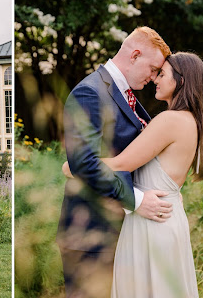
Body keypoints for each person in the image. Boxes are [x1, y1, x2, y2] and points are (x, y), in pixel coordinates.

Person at [63, 52, 203, 297]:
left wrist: (73, 167)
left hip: (151, 224)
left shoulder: (169, 121)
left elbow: (120, 163)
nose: (155, 78)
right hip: (167, 216)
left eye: (162, 73)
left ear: (181, 81)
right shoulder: (192, 121)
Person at [57, 26, 173, 298]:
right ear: (134, 55)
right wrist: (137, 200)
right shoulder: (90, 92)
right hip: (89, 235)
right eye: (154, 68)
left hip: (114, 233)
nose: (154, 77)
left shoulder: (126, 95)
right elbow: (83, 164)